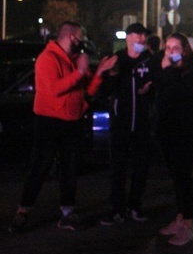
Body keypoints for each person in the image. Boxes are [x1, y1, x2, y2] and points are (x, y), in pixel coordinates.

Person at [8, 21, 116, 233]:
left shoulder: (74, 60)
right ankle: (23, 211)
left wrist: (99, 73)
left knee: (70, 167)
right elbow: (53, 90)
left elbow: (87, 93)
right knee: (41, 166)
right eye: (81, 40)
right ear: (71, 38)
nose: (83, 45)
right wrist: (79, 72)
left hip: (72, 121)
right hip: (49, 121)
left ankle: (67, 212)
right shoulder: (47, 59)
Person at [153, 32, 193, 246]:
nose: (171, 52)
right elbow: (161, 92)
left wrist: (167, 71)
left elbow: (178, 92)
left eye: (176, 48)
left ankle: (188, 223)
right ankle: (180, 217)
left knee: (184, 177)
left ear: (185, 50)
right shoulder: (170, 69)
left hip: (187, 132)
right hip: (169, 130)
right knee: (176, 177)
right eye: (168, 48)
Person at [97, 22, 156, 225]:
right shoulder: (118, 60)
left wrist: (149, 91)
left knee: (140, 168)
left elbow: (158, 87)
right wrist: (111, 76)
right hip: (120, 123)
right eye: (137, 35)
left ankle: (135, 206)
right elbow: (103, 91)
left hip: (141, 123)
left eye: (143, 36)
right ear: (128, 37)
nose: (141, 39)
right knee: (118, 169)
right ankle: (117, 210)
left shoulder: (149, 60)